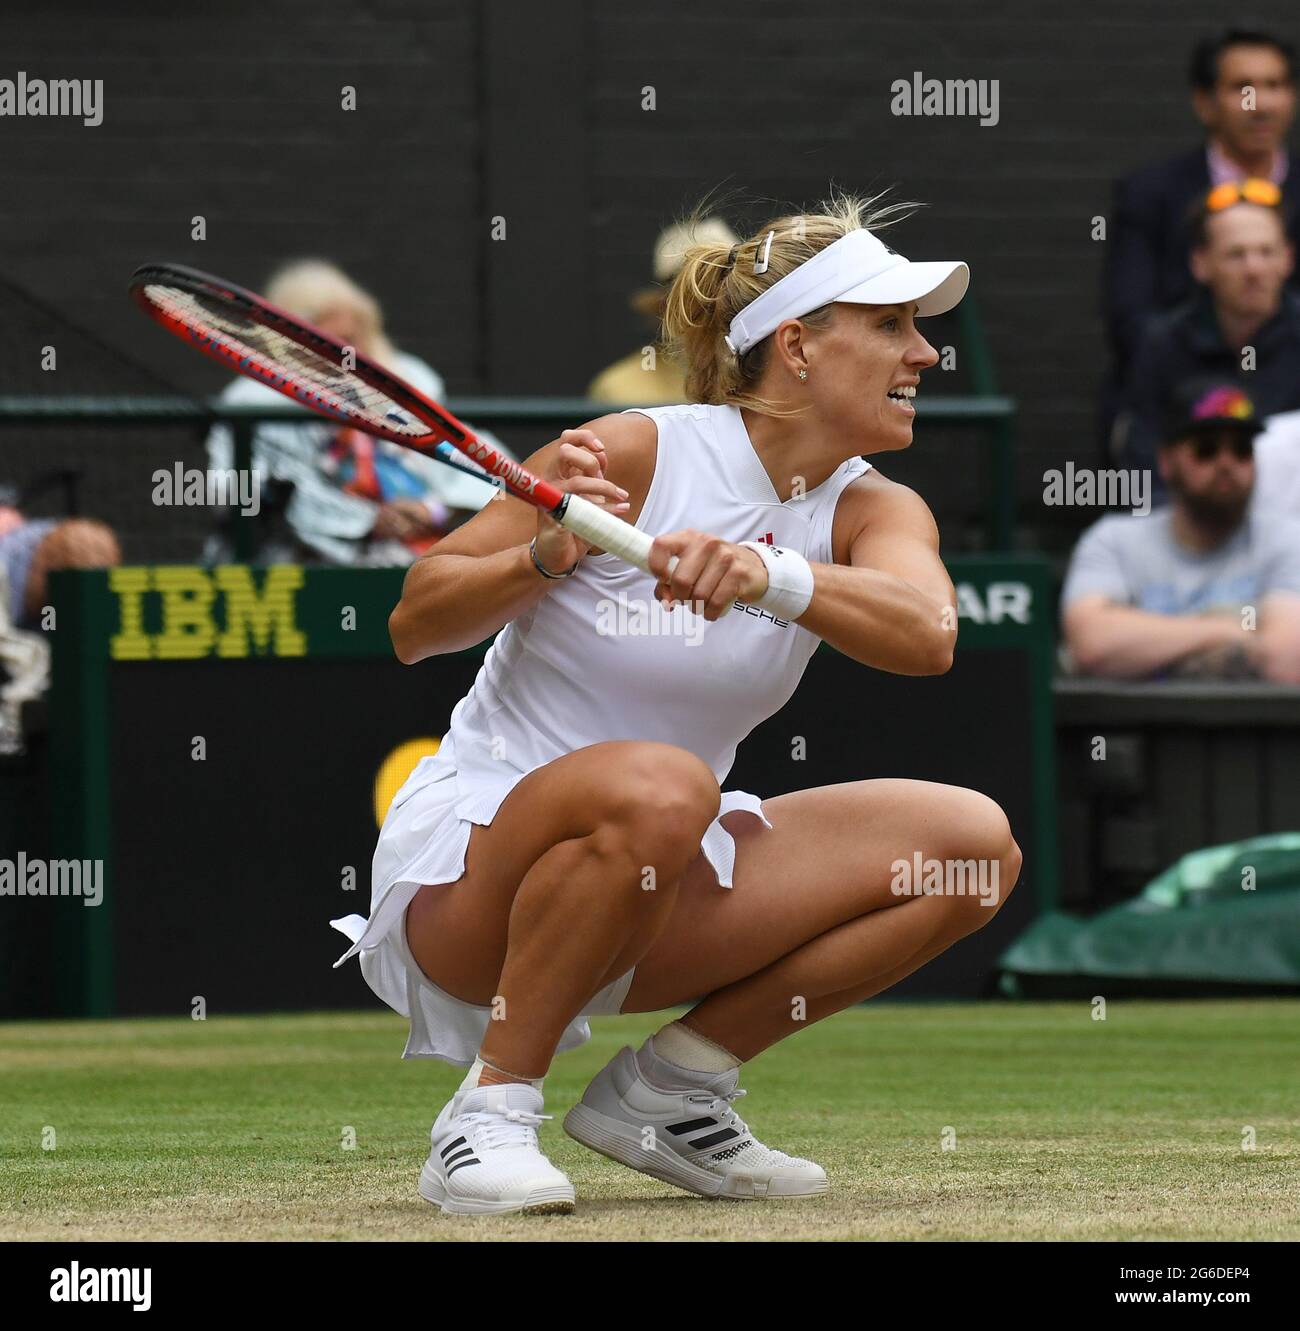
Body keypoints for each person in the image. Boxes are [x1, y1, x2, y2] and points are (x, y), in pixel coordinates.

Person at [331, 193, 1023, 1217]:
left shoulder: (877, 506)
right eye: (889, 324)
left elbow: (927, 634)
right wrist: (539, 553)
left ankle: (669, 1092)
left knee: (974, 846)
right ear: (797, 347)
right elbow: (415, 621)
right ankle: (485, 1115)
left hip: (659, 878)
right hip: (471, 888)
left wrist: (766, 570)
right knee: (666, 781)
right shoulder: (635, 449)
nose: (923, 353)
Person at [204, 260, 506, 565]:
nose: (346, 353)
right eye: (328, 341)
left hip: (421, 568)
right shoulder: (251, 400)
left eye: (353, 338)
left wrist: (433, 509)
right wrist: (365, 519)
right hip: (304, 574)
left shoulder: (412, 381)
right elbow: (239, 493)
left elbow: (482, 470)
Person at [1064, 378, 1300, 682]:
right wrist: (1231, 630)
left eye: (1242, 450)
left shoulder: (1288, 539)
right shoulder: (1113, 540)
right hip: (1137, 726)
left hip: (1252, 728)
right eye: (1206, 449)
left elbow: (1287, 661)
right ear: (1166, 461)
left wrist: (1147, 642)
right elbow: (1092, 645)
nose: (1226, 463)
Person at [1103, 28, 1300, 382]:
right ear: (1204, 103)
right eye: (1243, 88)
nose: (1262, 105)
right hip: (1181, 401)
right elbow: (1130, 321)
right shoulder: (1149, 193)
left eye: (1276, 85)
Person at [1114, 181, 1300, 488]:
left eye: (1266, 252)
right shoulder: (1162, 345)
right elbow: (1141, 463)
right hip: (1190, 520)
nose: (1253, 269)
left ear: (1288, 259)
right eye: (1236, 255)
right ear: (1200, 264)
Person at [586, 217, 737, 404]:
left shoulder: (767, 376)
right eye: (693, 289)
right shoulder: (619, 388)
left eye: (726, 283)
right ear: (665, 304)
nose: (712, 301)